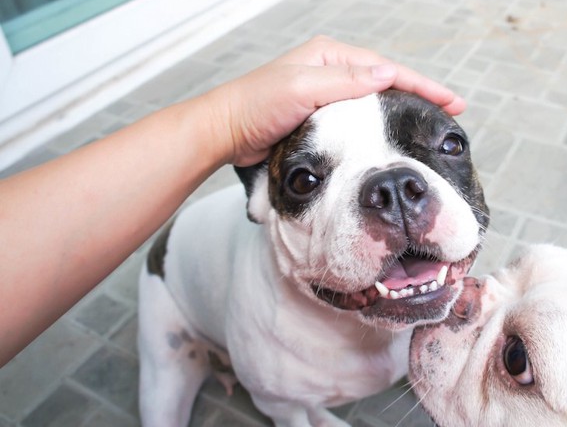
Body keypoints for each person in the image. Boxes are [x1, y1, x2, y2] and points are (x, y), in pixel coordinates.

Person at [0, 35, 466, 367]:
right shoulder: (274, 356)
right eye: (307, 180)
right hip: (177, 297)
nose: (397, 197)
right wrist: (226, 124)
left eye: (446, 146)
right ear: (259, 197)